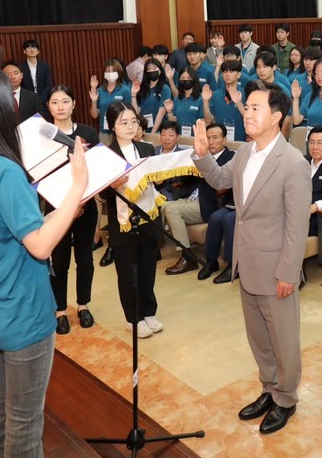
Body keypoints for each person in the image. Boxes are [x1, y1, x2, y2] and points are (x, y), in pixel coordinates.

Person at [0, 64, 87, 457]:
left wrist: (59, 214)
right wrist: (77, 185)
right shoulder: (3, 171)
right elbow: (40, 246)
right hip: (22, 316)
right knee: (25, 428)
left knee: (2, 410)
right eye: (4, 97)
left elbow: (5, 231)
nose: (12, 103)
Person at [191, 81, 311, 435]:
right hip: (247, 263)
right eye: (247, 108)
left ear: (276, 116)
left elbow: (297, 225)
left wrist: (289, 271)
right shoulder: (244, 152)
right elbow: (218, 180)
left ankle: (286, 398)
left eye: (255, 108)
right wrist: (202, 155)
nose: (247, 113)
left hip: (276, 269)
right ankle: (269, 388)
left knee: (284, 339)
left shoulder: (292, 164)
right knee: (259, 337)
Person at [102, 102, 163, 339]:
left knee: (148, 269)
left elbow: (156, 180)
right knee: (128, 273)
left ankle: (149, 312)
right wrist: (112, 185)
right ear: (112, 126)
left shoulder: (147, 148)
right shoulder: (105, 154)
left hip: (148, 218)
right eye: (123, 123)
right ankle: (133, 318)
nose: (129, 127)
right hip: (122, 223)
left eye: (133, 122)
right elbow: (102, 194)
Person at [45, 85, 100, 335]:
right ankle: (59, 310)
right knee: (59, 260)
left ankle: (83, 305)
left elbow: (98, 170)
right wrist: (66, 205)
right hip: (56, 208)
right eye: (55, 102)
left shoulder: (88, 132)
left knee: (85, 258)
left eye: (65, 101)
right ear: (48, 106)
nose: (60, 107)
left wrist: (80, 202)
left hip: (85, 204)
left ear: (74, 104)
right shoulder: (43, 137)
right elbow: (40, 177)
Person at [169, 123, 235, 277]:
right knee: (165, 207)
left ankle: (189, 256)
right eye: (208, 138)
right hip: (193, 195)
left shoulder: (231, 157)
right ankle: (201, 258)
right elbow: (189, 179)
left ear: (224, 140)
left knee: (172, 210)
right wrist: (196, 157)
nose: (211, 142)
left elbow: (226, 183)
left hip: (213, 201)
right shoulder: (201, 154)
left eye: (215, 138)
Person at [89, 59, 131, 135]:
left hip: (121, 131)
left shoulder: (125, 90)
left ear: (118, 72)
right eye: (107, 71)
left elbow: (130, 112)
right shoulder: (99, 91)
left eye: (113, 71)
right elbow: (94, 115)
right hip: (104, 132)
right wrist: (94, 101)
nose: (110, 73)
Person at [161, 67, 204, 136]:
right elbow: (173, 121)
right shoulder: (177, 99)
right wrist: (169, 112)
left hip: (194, 137)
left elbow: (203, 120)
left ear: (194, 79)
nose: (186, 80)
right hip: (179, 137)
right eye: (182, 78)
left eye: (189, 78)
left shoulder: (201, 99)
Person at [133, 58, 171, 130]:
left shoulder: (165, 88)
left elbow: (161, 113)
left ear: (160, 71)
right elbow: (136, 112)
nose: (152, 71)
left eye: (154, 68)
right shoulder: (142, 88)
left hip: (159, 130)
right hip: (143, 130)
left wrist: (153, 133)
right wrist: (133, 95)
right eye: (149, 69)